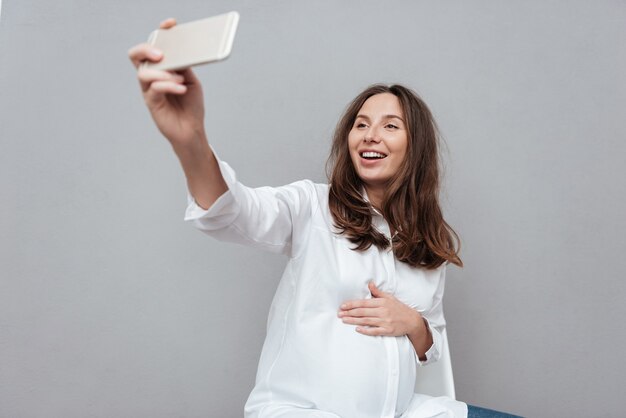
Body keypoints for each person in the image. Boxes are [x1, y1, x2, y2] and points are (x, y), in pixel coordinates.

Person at [128, 17, 522, 418]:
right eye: (361, 124)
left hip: (402, 412)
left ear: (415, 147)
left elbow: (430, 346)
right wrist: (189, 138)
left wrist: (414, 324)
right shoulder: (311, 207)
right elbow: (232, 213)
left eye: (390, 126)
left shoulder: (425, 242)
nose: (370, 135)